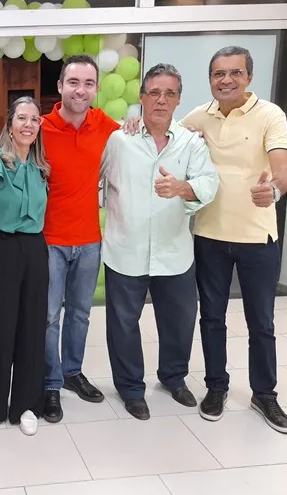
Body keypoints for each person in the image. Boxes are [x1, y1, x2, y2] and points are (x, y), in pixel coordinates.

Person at [181, 46, 287, 434]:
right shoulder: (199, 116)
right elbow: (165, 136)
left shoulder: (270, 115)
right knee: (212, 318)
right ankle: (216, 387)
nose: (226, 80)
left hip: (257, 237)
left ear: (249, 77)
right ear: (210, 79)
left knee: (261, 322)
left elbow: (283, 168)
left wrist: (274, 191)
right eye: (218, 74)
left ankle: (265, 394)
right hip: (209, 235)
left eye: (235, 73)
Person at [100, 64, 219, 420]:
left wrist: (182, 187)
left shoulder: (191, 142)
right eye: (153, 93)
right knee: (123, 324)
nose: (161, 100)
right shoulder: (119, 139)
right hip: (126, 248)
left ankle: (173, 377)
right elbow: (97, 179)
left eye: (169, 93)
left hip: (174, 251)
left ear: (179, 99)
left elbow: (209, 183)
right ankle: (130, 389)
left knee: (180, 321)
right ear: (142, 98)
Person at [40, 55, 122, 423]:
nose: (81, 90)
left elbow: (143, 134)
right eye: (73, 82)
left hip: (89, 240)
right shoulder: (40, 127)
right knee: (48, 318)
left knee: (80, 314)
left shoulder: (106, 126)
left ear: (96, 89)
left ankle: (73, 371)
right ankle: (50, 382)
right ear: (60, 86)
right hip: (49, 241)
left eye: (88, 83)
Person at [0, 97, 50, 436]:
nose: (28, 124)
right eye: (21, 118)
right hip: (0, 247)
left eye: (34, 119)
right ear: (10, 124)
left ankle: (27, 403)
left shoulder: (42, 167)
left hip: (34, 248)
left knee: (32, 326)